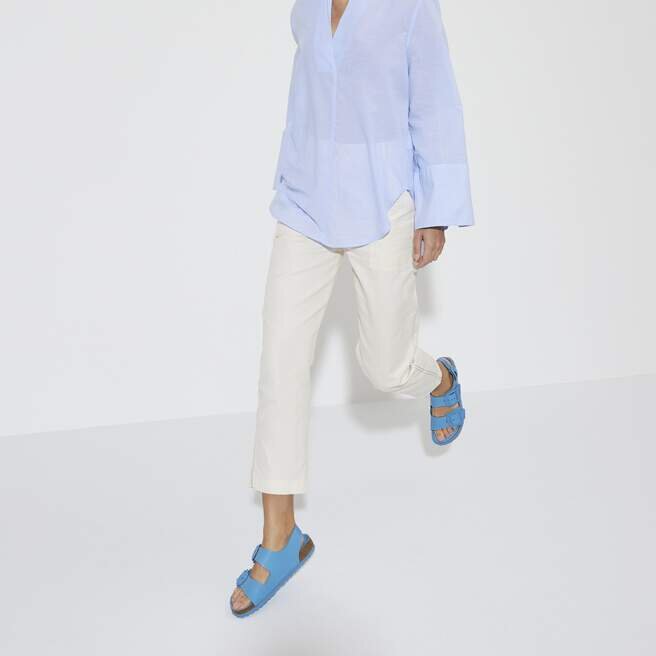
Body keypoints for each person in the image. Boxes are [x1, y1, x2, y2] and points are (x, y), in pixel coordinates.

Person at [230, 0, 474, 617]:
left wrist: (436, 210)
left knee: (387, 368)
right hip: (305, 201)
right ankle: (280, 537)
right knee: (280, 363)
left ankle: (439, 378)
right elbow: (309, 92)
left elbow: (436, 104)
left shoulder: (411, 6)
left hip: (381, 200)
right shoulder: (308, 5)